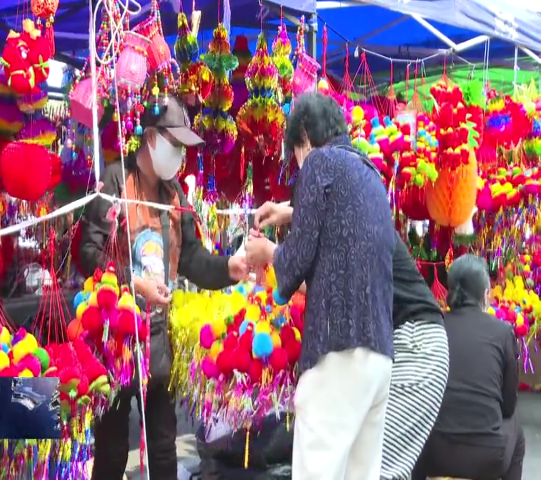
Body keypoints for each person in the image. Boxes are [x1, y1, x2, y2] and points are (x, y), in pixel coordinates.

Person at [80, 94, 249, 480]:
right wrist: (133, 283)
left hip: (159, 340)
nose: (179, 156)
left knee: (162, 444)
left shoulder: (175, 195)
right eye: (174, 145)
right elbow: (88, 255)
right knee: (111, 450)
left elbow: (191, 258)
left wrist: (230, 268)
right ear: (151, 138)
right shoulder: (114, 180)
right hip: (116, 341)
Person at [245, 92, 396, 480]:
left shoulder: (319, 162)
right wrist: (290, 212)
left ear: (305, 136)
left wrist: (267, 253)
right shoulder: (368, 171)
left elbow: (298, 256)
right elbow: (339, 223)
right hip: (378, 354)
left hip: (338, 348)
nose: (298, 163)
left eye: (295, 152)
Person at [412, 254, 525, 480]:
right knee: (517, 433)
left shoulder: (434, 325)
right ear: (485, 294)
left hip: (433, 452)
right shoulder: (502, 332)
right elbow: (508, 405)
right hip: (486, 457)